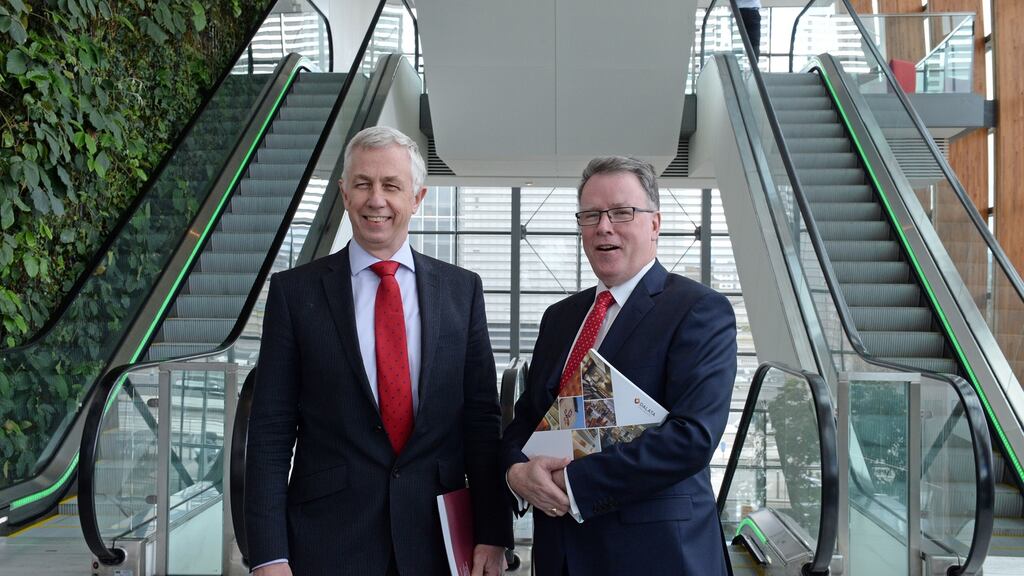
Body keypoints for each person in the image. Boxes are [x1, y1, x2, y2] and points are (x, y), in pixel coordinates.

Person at [245, 126, 512, 576]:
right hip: (327, 541)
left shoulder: (461, 291)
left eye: (391, 185)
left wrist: (492, 531)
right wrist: (269, 555)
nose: (377, 199)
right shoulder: (295, 293)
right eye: (363, 184)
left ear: (417, 197)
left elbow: (481, 422)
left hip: (437, 541)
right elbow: (271, 430)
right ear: (344, 193)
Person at [502, 156, 737, 575]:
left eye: (622, 212)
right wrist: (516, 473)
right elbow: (526, 422)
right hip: (561, 551)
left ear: (655, 223)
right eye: (590, 215)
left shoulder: (699, 309)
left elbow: (692, 437)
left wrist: (572, 484)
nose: (603, 226)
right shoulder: (560, 317)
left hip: (657, 553)